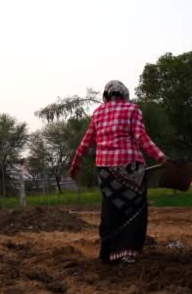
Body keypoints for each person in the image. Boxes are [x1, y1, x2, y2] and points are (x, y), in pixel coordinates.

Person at [69, 80, 166, 264]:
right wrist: (160, 156)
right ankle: (127, 254)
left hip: (105, 170)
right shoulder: (132, 110)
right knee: (136, 209)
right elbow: (141, 137)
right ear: (125, 96)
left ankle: (107, 254)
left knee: (110, 209)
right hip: (131, 168)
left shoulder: (98, 113)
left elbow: (85, 143)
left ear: (106, 96)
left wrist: (75, 166)